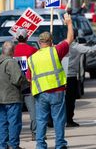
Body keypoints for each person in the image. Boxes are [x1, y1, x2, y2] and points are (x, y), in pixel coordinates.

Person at [27, 13, 73, 149]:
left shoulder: (32, 58)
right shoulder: (56, 51)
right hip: (57, 91)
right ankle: (60, 144)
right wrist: (69, 23)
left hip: (40, 93)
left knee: (41, 120)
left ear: (39, 43)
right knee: (58, 120)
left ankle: (40, 145)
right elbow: (70, 39)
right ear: (51, 42)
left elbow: (29, 78)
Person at [66, 29, 96, 127]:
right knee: (70, 100)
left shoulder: (61, 45)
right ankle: (69, 120)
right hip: (71, 76)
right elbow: (93, 49)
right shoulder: (77, 47)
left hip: (59, 77)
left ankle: (53, 120)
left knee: (59, 100)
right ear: (75, 36)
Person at [0, 41, 27, 149]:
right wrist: (26, 81)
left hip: (1, 98)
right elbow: (17, 79)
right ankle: (14, 145)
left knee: (2, 123)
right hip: (12, 98)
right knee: (14, 124)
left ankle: (3, 145)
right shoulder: (11, 62)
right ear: (12, 51)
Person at [13, 28, 38, 141]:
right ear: (27, 38)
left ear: (16, 38)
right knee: (33, 111)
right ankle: (35, 133)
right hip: (29, 83)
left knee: (15, 113)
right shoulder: (32, 50)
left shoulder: (11, 50)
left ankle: (14, 136)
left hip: (15, 85)